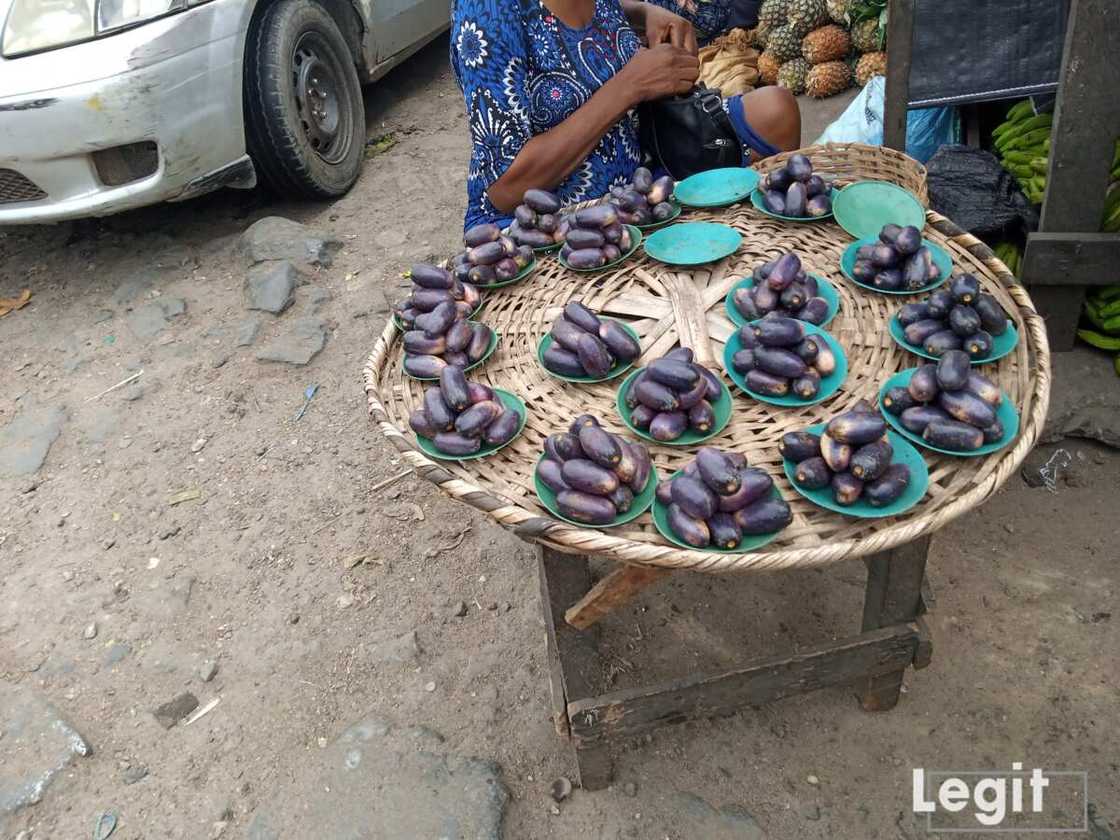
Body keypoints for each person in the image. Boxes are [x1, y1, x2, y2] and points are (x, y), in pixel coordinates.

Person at [450, 0, 800, 230]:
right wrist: (628, 87)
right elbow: (506, 190)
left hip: (638, 170)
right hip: (554, 220)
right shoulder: (487, 14)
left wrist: (643, 13)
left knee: (775, 113)